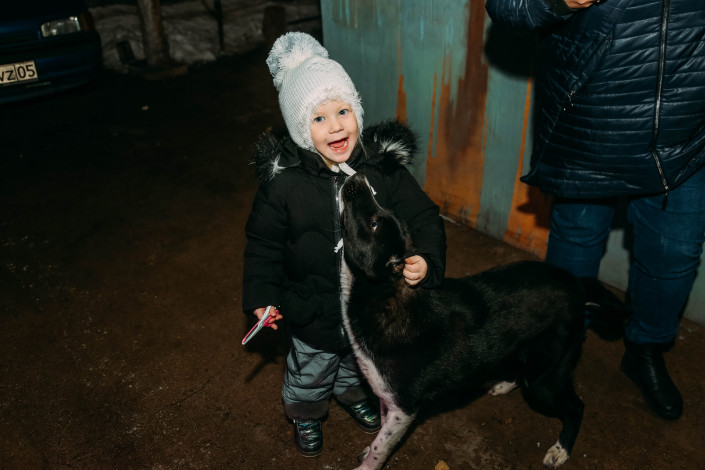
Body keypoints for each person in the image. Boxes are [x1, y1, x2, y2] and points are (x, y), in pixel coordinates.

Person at [485, 0, 705, 421]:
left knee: (674, 254)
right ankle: (553, 344)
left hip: (686, 129)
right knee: (576, 240)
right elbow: (506, 7)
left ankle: (645, 349)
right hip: (589, 115)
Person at [242, 32, 447, 457]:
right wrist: (261, 296)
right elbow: (263, 245)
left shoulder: (382, 170)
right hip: (310, 307)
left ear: (357, 110)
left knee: (358, 364)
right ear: (300, 128)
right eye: (318, 118)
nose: (335, 126)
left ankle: (352, 396)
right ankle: (306, 412)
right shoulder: (285, 187)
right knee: (311, 369)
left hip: (368, 307)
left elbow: (424, 216)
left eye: (342, 110)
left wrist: (426, 259)